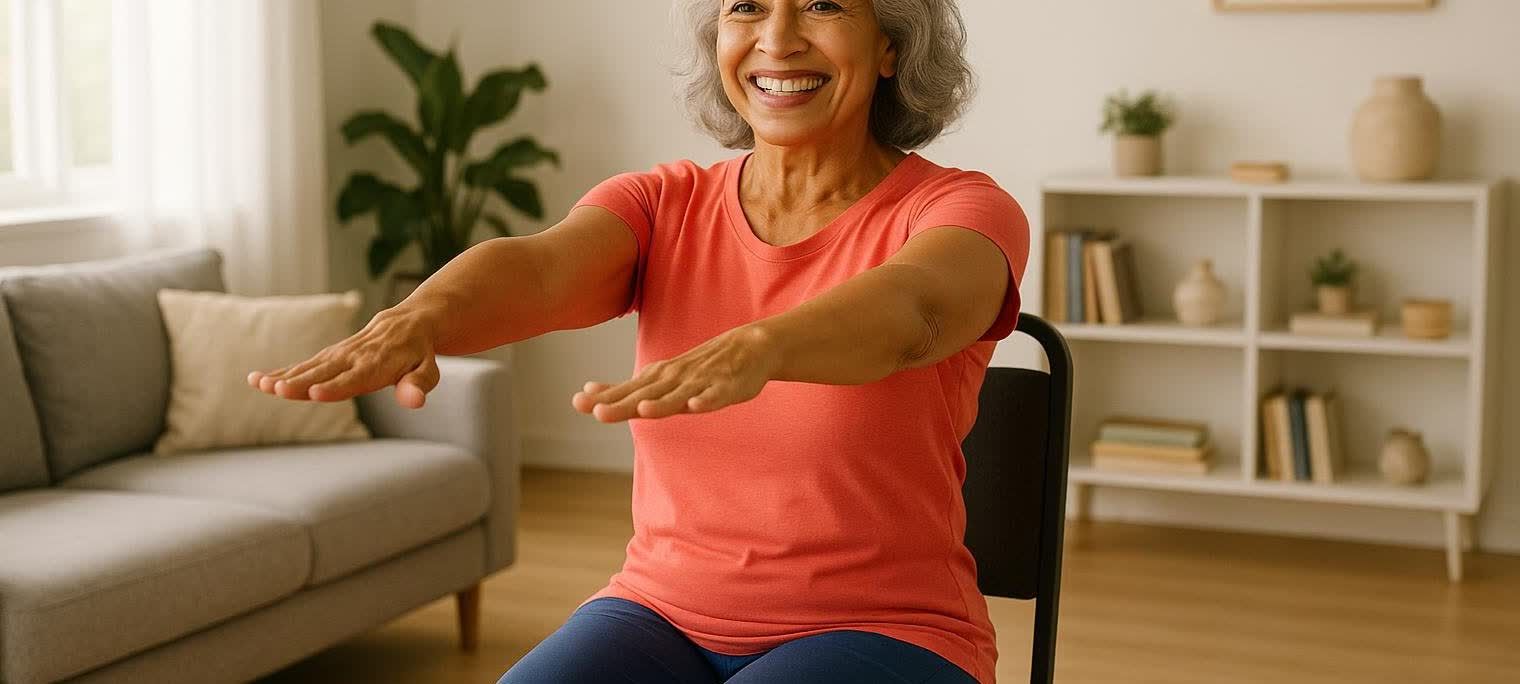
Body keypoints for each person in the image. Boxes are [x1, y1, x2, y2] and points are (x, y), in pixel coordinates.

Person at [249, 0, 1029, 681]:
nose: (778, 38)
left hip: (885, 629)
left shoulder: (958, 209)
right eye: (746, 6)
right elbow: (544, 269)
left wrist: (765, 345)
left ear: (891, 44)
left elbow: (916, 312)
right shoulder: (665, 204)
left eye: (824, 4)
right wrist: (423, 316)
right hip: (660, 611)